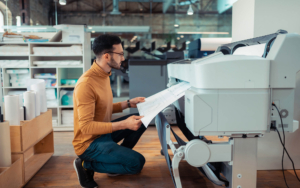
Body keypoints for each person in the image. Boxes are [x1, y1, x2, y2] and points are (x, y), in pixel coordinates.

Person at [73, 34, 147, 188]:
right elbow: (86, 127)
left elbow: (103, 107)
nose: (123, 58)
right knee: (136, 164)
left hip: (102, 132)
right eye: (120, 54)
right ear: (107, 56)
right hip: (89, 143)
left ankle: (114, 159)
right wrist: (123, 125)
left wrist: (128, 103)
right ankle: (86, 165)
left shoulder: (104, 75)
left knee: (141, 120)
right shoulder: (86, 84)